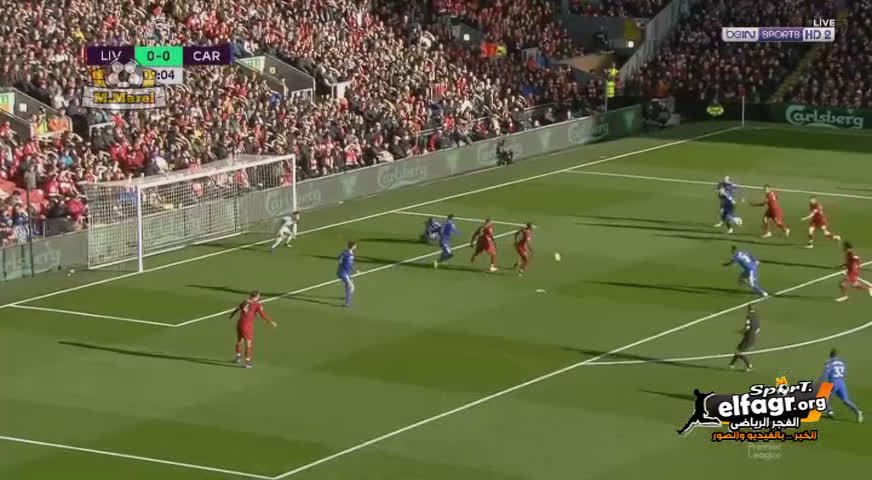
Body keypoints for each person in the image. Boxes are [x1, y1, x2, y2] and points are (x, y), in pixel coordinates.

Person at [229, 291, 277, 368]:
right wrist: (271, 322)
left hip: (240, 323)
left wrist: (231, 315)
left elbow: (237, 309)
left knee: (239, 341)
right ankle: (247, 363)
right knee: (248, 344)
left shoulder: (244, 302)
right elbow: (263, 315)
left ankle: (238, 358)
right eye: (259, 296)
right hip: (247, 326)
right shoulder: (257, 304)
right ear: (256, 296)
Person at [821, 349, 863, 422]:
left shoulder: (828, 364)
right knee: (846, 400)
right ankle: (857, 411)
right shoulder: (842, 363)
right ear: (836, 355)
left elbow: (825, 376)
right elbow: (844, 374)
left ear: (830, 355)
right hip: (841, 383)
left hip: (833, 384)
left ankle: (830, 412)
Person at [728, 305, 759, 372]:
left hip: (748, 337)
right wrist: (751, 334)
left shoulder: (748, 316)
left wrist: (741, 332)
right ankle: (731, 364)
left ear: (748, 309)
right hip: (752, 337)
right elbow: (758, 329)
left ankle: (749, 365)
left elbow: (747, 327)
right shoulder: (756, 316)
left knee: (739, 351)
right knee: (738, 349)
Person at [338, 241, 357, 307]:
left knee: (349, 284)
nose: (356, 247)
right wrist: (355, 270)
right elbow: (349, 265)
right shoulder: (350, 255)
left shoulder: (344, 251)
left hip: (343, 271)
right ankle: (347, 303)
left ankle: (347, 296)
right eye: (355, 245)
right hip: (344, 273)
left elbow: (339, 258)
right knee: (351, 286)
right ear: (353, 246)